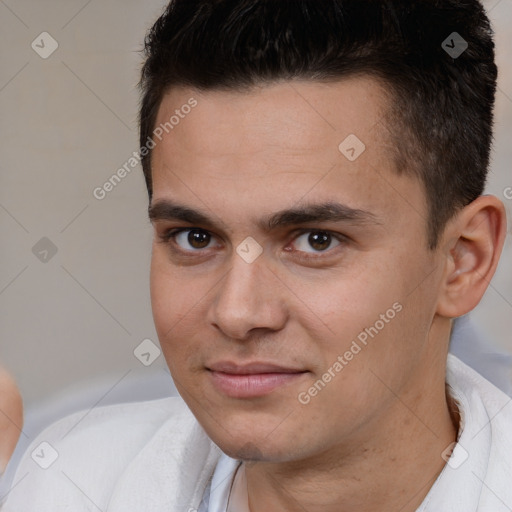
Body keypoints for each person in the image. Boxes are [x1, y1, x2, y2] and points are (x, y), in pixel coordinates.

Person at [2, 0, 511, 510]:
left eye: (316, 240)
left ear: (462, 261)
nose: (236, 313)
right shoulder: (64, 483)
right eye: (194, 238)